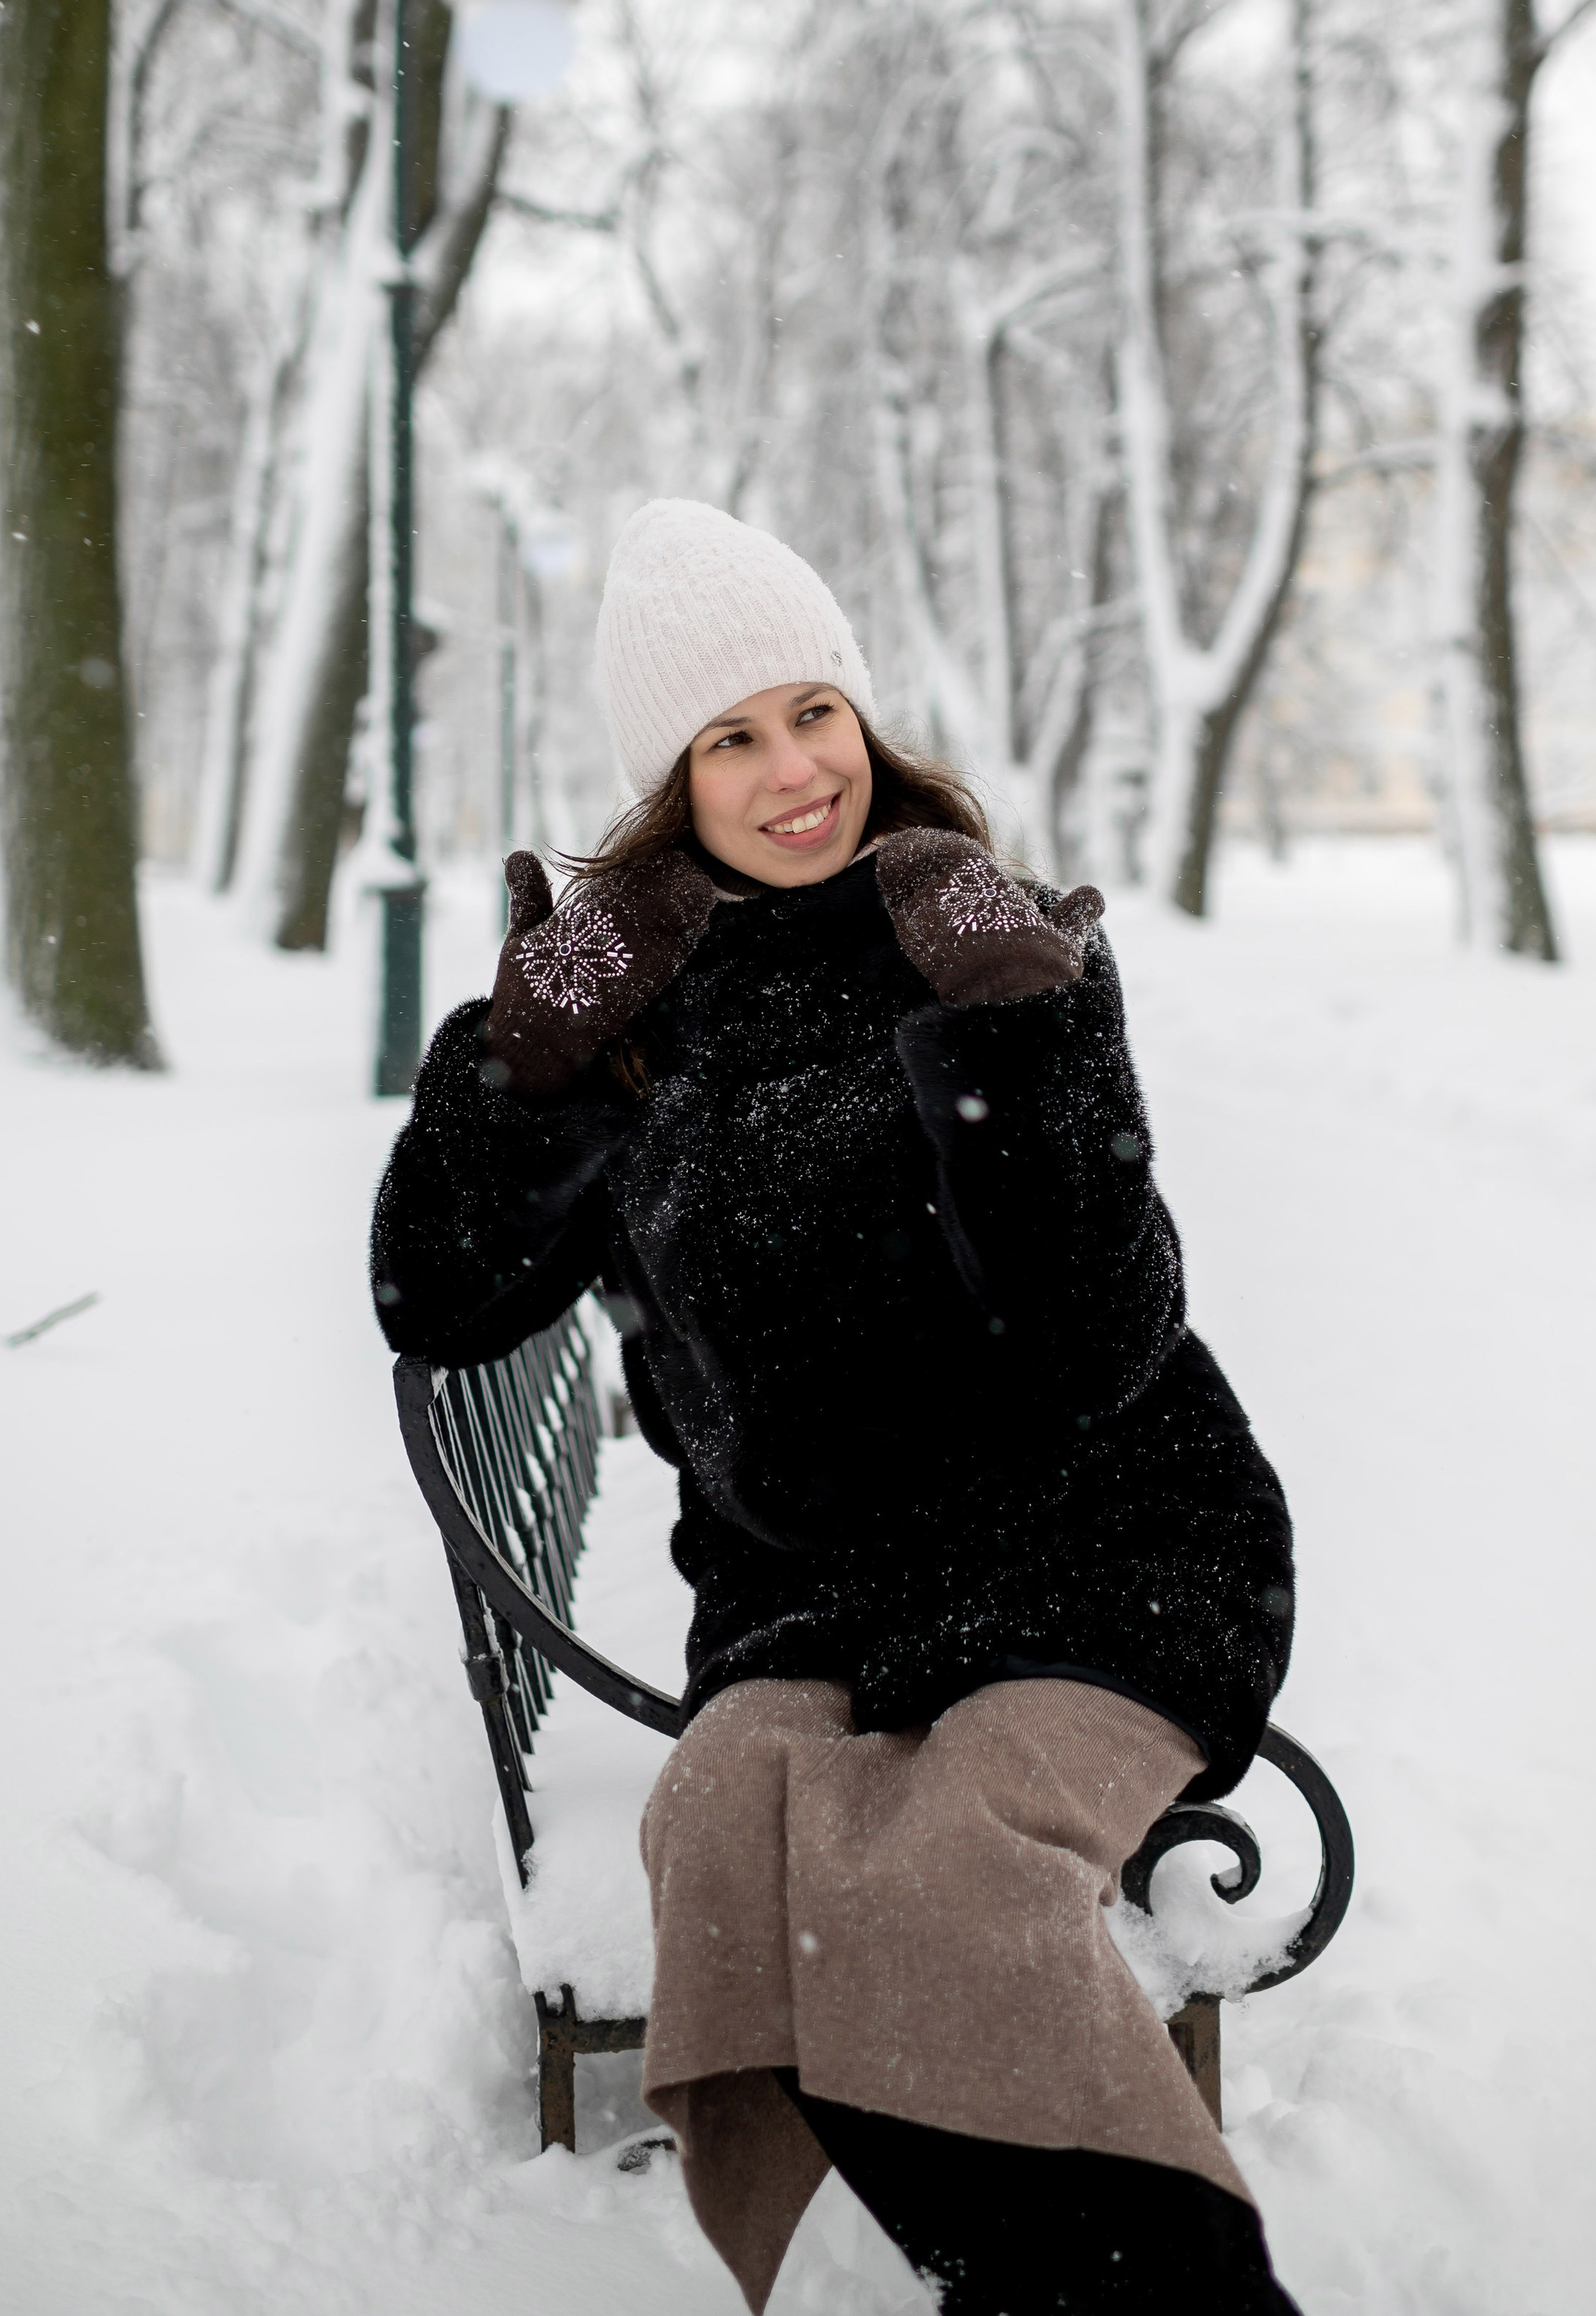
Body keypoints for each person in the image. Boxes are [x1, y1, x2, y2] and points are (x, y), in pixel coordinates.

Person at [372, 499, 1299, 2315]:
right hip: (811, 1592)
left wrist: (1021, 1032)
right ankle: (870, 2279)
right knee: (722, 1850)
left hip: (1100, 1546)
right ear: (672, 778)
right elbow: (441, 1294)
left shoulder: (986, 946)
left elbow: (1091, 1335)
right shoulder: (640, 1008)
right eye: (730, 737)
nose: (793, 770)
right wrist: (526, 1052)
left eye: (812, 710)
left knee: (944, 1879)